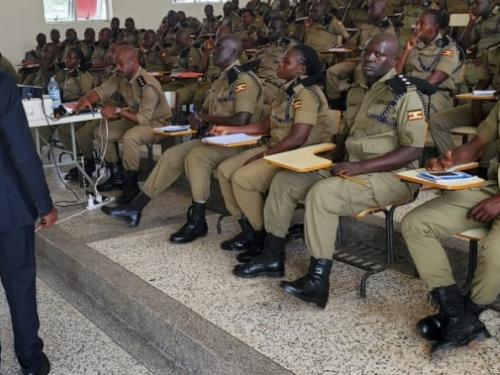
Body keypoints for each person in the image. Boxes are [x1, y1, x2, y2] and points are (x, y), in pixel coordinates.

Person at [275, 33, 426, 308]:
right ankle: (271, 254)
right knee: (286, 180)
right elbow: (346, 135)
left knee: (322, 194)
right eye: (368, 51)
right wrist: (325, 161)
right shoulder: (357, 90)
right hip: (353, 166)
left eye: (379, 54)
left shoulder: (405, 95)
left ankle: (318, 282)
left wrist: (360, 167)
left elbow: (413, 150)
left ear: (394, 60)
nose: (370, 57)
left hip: (393, 176)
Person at [102, 35, 265, 245]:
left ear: (234, 53)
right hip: (217, 138)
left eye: (220, 49)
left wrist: (206, 118)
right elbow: (209, 110)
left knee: (197, 157)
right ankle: (135, 209)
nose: (214, 51)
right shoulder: (222, 80)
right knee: (171, 156)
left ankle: (197, 220)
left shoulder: (243, 81)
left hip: (240, 141)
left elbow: (243, 119)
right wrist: (198, 120)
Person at [215, 44, 336, 260]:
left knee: (242, 179)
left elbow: (298, 138)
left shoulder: (307, 94)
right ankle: (250, 230)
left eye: (286, 62)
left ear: (301, 69)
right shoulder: (286, 90)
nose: (279, 65)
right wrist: (231, 129)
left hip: (297, 155)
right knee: (224, 171)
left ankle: (262, 237)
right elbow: (265, 126)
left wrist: (262, 156)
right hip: (276, 147)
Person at [401, 100, 500, 355]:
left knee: (495, 253)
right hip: (493, 188)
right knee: (416, 223)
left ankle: (464, 318)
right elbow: (476, 146)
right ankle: (457, 315)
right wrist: (449, 161)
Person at [0, 70, 57, 375]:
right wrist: (43, 203)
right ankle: (30, 361)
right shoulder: (1, 83)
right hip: (6, 204)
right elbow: (20, 150)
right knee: (20, 283)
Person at [75, 45, 172, 204]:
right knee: (102, 131)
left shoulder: (147, 85)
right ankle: (116, 176)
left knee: (131, 137)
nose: (117, 67)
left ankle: (131, 185)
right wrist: (85, 100)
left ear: (133, 62)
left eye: (121, 64)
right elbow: (101, 91)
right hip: (134, 117)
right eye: (116, 63)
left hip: (157, 122)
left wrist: (119, 111)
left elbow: (143, 119)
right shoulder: (120, 76)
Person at [430, 41, 500, 155]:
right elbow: (482, 84)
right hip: (490, 107)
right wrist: (475, 111)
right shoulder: (493, 52)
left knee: (487, 155)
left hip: (496, 114)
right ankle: (452, 164)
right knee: (436, 122)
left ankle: (483, 167)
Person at [325, 0, 395, 104]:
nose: (369, 12)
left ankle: (358, 104)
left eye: (373, 9)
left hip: (373, 62)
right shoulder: (365, 26)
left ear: (383, 11)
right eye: (369, 8)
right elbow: (353, 43)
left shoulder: (387, 29)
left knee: (359, 71)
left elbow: (385, 52)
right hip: (357, 59)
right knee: (331, 72)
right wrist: (340, 46)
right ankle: (336, 102)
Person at [396, 9, 462, 117]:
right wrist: (406, 51)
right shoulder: (414, 45)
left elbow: (433, 81)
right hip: (410, 93)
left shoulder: (448, 49)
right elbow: (396, 73)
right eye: (417, 23)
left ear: (435, 27)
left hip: (435, 96)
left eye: (422, 24)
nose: (416, 27)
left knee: (406, 114)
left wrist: (408, 92)